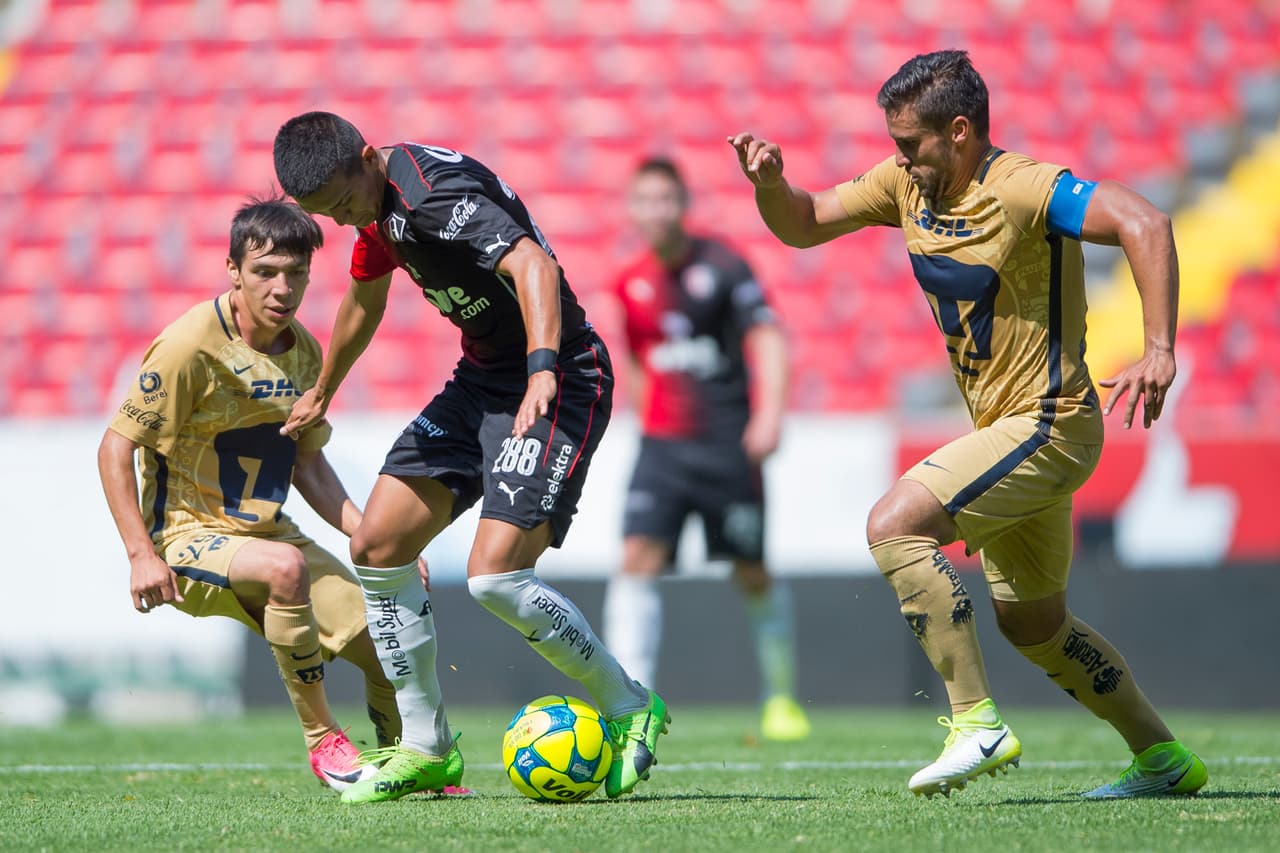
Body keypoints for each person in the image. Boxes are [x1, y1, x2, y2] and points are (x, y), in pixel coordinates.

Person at [729, 49, 1206, 799]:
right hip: (1011, 434)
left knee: (894, 524)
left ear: (959, 132)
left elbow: (1146, 221)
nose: (898, 159)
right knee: (1035, 625)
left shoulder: (1025, 188)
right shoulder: (904, 186)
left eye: (909, 144)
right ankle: (1163, 758)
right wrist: (770, 186)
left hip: (1049, 422)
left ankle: (974, 721)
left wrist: (1158, 349)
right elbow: (806, 220)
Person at [271, 111, 670, 804]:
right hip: (482, 381)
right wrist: (323, 390)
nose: (343, 220)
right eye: (327, 214)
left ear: (367, 158)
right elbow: (365, 298)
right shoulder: (374, 206)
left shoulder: (428, 194)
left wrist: (543, 367)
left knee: (495, 578)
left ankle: (632, 703)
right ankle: (427, 746)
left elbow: (532, 263)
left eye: (343, 204)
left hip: (562, 376)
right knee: (377, 544)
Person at [97, 197, 404, 794]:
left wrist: (371, 539)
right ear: (234, 270)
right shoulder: (191, 345)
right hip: (186, 539)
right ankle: (325, 744)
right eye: (265, 272)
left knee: (393, 648)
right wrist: (140, 555)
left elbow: (307, 462)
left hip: (268, 533)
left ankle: (404, 764)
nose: (281, 288)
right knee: (286, 567)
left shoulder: (309, 353)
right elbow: (115, 448)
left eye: (295, 274)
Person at [602, 157, 809, 741]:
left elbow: (766, 336)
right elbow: (640, 360)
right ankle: (631, 702)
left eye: (667, 199)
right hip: (663, 450)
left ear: (683, 205)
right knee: (636, 559)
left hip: (726, 447)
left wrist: (769, 415)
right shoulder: (629, 282)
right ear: (633, 208)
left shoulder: (722, 265)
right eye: (645, 199)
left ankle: (781, 701)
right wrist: (647, 416)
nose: (656, 210)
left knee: (751, 571)